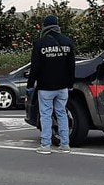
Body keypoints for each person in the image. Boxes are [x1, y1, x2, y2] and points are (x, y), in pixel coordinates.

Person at [26, 15, 76, 154]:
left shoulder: (40, 43)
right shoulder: (67, 42)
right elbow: (71, 66)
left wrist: (30, 84)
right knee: (62, 113)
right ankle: (65, 144)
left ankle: (45, 145)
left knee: (46, 115)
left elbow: (35, 67)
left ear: (45, 27)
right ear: (57, 26)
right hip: (63, 86)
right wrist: (70, 83)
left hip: (45, 86)